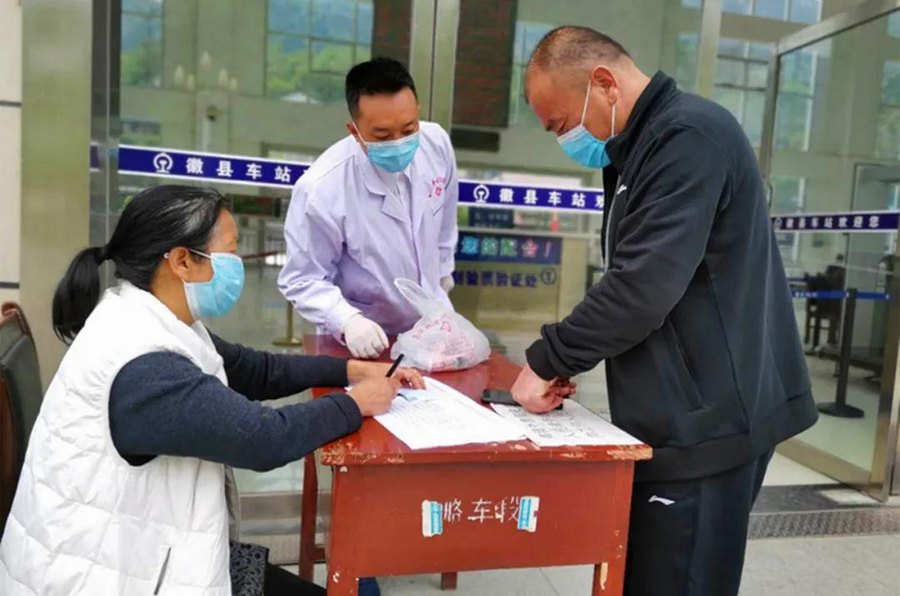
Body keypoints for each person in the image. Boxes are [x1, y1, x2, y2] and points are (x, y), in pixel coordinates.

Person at [510, 27, 818, 596]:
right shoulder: (642, 148)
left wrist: (548, 358)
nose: (564, 139)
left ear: (604, 83)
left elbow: (642, 285)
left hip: (707, 423)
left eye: (561, 124)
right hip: (683, 411)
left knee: (679, 580)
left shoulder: (687, 138)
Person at [0, 185, 423, 596]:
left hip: (140, 548)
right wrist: (356, 403)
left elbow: (255, 369)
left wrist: (354, 369)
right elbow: (263, 439)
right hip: (107, 574)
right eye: (230, 252)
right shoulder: (145, 368)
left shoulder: (150, 318)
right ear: (182, 261)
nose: (237, 266)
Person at [279, 57, 459, 360]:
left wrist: (443, 274)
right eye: (382, 135)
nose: (399, 143)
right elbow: (302, 278)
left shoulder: (436, 144)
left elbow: (445, 222)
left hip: (431, 328)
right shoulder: (322, 189)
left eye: (408, 129)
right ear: (354, 130)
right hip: (362, 338)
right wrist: (347, 320)